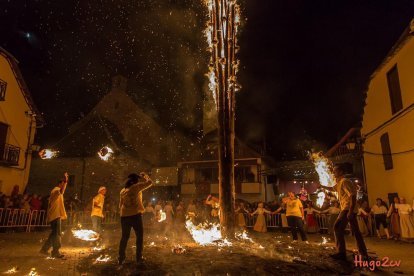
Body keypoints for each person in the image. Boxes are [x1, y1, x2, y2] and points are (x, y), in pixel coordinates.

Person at [324, 164, 368, 261]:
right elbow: (333, 189)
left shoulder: (345, 181)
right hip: (347, 209)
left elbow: (352, 196)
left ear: (341, 172)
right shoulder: (339, 183)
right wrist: (322, 186)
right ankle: (363, 253)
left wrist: (350, 211)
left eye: (335, 171)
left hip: (348, 209)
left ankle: (341, 253)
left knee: (337, 227)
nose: (333, 173)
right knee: (356, 231)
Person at [118, 172, 153, 265]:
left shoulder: (123, 191)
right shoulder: (136, 187)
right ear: (135, 181)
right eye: (138, 180)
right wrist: (145, 176)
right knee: (139, 237)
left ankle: (121, 258)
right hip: (135, 216)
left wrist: (122, 214)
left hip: (124, 216)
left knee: (124, 237)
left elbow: (120, 205)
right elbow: (150, 183)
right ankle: (138, 258)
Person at [40, 172, 69, 258]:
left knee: (54, 234)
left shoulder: (58, 192)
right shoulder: (55, 190)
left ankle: (44, 249)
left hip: (56, 215)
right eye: (63, 184)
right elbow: (61, 191)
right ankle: (55, 252)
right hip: (55, 216)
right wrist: (66, 180)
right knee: (57, 234)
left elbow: (62, 191)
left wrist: (65, 182)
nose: (64, 186)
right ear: (60, 183)